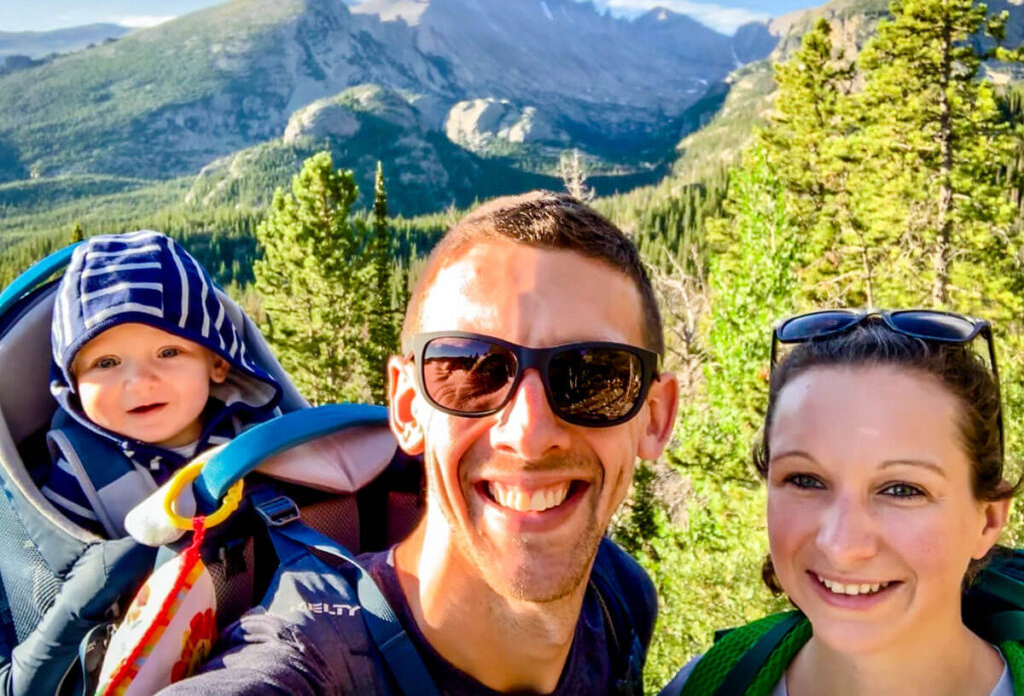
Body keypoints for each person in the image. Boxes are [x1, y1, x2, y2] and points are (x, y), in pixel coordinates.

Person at [157, 190, 680, 695]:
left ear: (655, 418)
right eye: (470, 370)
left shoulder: (619, 598)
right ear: (408, 408)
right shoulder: (315, 663)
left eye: (593, 379)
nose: (529, 434)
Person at [662, 310, 1017, 696]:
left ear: (987, 520)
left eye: (901, 489)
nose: (842, 546)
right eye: (805, 480)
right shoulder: (708, 683)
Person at [41, 229, 282, 537]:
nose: (140, 382)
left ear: (218, 363)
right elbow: (61, 570)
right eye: (107, 363)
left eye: (168, 353)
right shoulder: (82, 474)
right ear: (73, 382)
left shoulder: (251, 431)